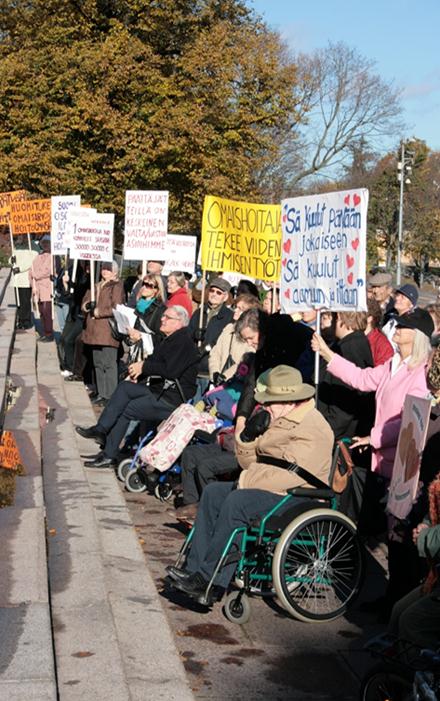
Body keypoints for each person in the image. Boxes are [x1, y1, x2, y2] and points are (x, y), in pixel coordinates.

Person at [165, 365, 334, 605]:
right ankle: (196, 570)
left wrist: (245, 482)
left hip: (299, 495)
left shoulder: (313, 428)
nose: (265, 407)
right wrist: (246, 438)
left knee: (238, 501)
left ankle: (211, 580)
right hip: (273, 487)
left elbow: (293, 475)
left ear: (289, 401)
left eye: (270, 402)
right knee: (213, 493)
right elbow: (248, 461)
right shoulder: (280, 418)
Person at [76, 305, 199, 468]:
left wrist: (143, 367)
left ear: (179, 323)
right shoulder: (169, 339)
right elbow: (153, 363)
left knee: (129, 408)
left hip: (171, 398)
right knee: (125, 387)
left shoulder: (183, 342)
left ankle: (109, 454)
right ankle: (101, 429)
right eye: (163, 316)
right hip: (160, 390)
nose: (162, 319)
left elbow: (170, 371)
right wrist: (138, 373)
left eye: (167, 317)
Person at [234, 308, 315, 436]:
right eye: (246, 340)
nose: (249, 344)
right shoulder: (264, 343)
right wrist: (241, 418)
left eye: (251, 338)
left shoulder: (289, 337)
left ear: (261, 330)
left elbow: (293, 382)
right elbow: (252, 381)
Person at [317, 311, 374, 442]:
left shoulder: (349, 348)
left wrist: (322, 432)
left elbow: (344, 403)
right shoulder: (350, 343)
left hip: (337, 434)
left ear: (341, 318)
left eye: (332, 317)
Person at [81, 260, 125, 404]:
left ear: (115, 271)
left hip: (107, 330)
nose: (105, 271)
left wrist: (99, 311)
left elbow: (117, 307)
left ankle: (110, 395)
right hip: (94, 330)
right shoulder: (96, 285)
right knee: (98, 363)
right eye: (104, 268)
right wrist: (87, 305)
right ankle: (101, 392)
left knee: (109, 363)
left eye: (108, 268)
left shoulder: (117, 286)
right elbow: (85, 301)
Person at [189, 276, 234, 396]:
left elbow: (223, 340)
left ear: (225, 297)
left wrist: (207, 347)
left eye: (218, 293)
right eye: (212, 290)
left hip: (209, 368)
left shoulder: (229, 317)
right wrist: (194, 334)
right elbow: (188, 334)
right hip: (193, 365)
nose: (214, 294)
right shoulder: (200, 312)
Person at [207, 293, 258, 384]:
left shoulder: (252, 337)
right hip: (216, 381)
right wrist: (215, 373)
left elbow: (245, 362)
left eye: (240, 309)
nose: (235, 310)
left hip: (235, 384)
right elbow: (215, 352)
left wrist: (225, 377)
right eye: (236, 307)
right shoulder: (228, 328)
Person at [124, 273, 166, 361]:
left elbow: (161, 337)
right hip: (135, 354)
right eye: (143, 284)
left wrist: (141, 336)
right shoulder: (138, 305)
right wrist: (131, 338)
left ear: (156, 290)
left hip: (150, 356)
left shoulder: (160, 309)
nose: (144, 287)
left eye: (149, 285)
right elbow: (131, 332)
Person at [9, 235, 38, 329]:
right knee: (19, 301)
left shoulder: (33, 246)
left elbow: (32, 261)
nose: (23, 238)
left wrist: (20, 269)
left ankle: (26, 321)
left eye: (25, 236)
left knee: (25, 301)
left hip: (25, 278)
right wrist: (11, 260)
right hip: (17, 279)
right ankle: (20, 320)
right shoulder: (18, 246)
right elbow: (12, 259)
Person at [29, 234, 53, 341]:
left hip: (47, 287)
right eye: (44, 243)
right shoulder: (37, 256)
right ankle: (44, 332)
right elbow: (31, 270)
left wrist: (35, 275)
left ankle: (49, 333)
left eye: (47, 243)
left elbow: (47, 271)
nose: (45, 245)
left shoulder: (52, 257)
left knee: (47, 311)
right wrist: (32, 283)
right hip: (37, 289)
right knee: (41, 312)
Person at [365, 298, 394, 366]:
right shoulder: (353, 335)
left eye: (359, 314)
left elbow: (380, 373)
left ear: (370, 318)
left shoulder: (383, 345)